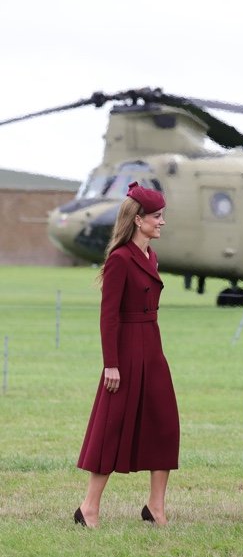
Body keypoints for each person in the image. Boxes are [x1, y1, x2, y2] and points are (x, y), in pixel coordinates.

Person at [74, 182, 179, 527]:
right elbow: (108, 316)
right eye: (157, 216)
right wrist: (111, 365)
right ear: (138, 219)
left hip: (153, 348)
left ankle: (156, 508)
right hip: (125, 353)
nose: (162, 222)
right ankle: (88, 507)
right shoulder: (120, 259)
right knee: (111, 428)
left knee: (165, 425)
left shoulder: (151, 255)